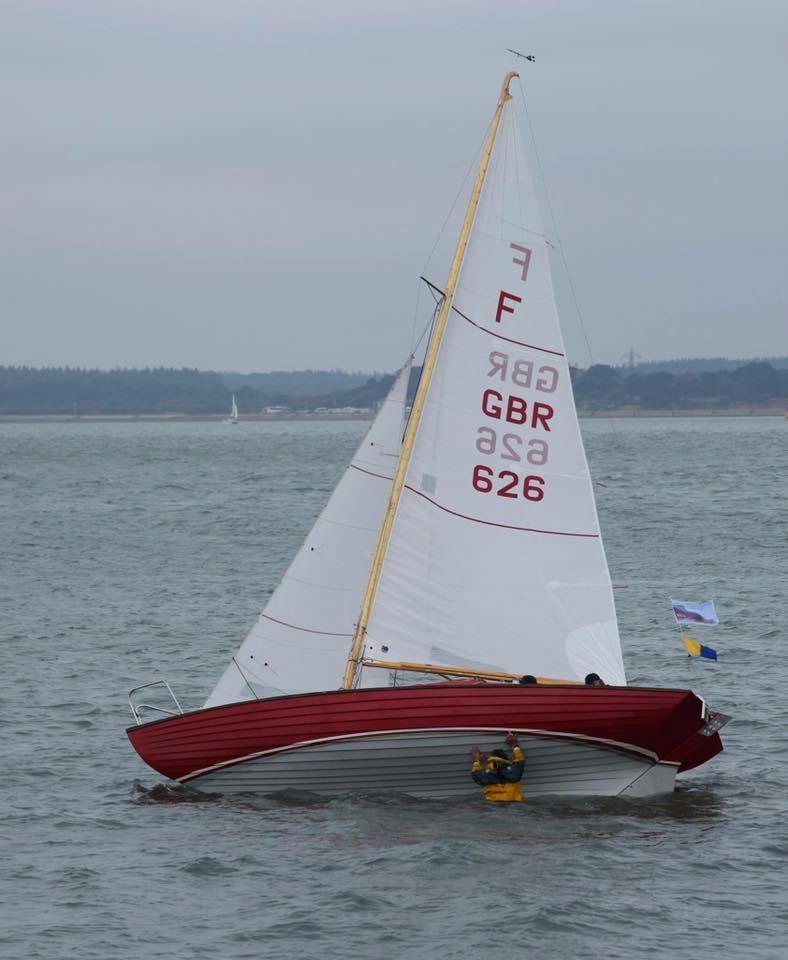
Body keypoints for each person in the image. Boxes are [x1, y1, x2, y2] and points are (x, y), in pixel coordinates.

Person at [470, 732, 525, 802]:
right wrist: (514, 745)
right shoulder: (513, 772)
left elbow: (475, 774)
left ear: (491, 760)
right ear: (506, 759)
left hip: (494, 807)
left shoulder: (486, 775)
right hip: (514, 805)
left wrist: (476, 760)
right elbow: (520, 761)